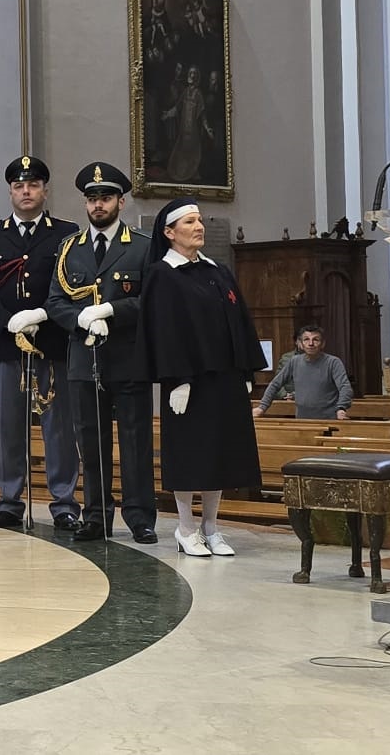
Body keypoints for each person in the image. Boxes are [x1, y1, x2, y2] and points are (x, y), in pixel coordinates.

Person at [140, 197, 265, 558]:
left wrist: (244, 370)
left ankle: (212, 527)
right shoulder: (163, 275)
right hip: (189, 382)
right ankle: (185, 527)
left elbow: (239, 321)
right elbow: (165, 330)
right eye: (190, 222)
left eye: (200, 220)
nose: (199, 227)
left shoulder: (217, 271)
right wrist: (177, 379)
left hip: (224, 380)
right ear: (169, 232)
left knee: (219, 455)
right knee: (191, 456)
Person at [0, 155, 81, 530]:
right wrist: (8, 321)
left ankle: (64, 502)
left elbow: (72, 285)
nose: (26, 191)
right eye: (19, 186)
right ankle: (9, 501)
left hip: (52, 342)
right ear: (11, 192)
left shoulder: (66, 233)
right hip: (8, 344)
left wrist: (43, 317)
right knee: (9, 425)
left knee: (59, 427)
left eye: (33, 185)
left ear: (45, 191)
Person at [46, 162, 155, 544]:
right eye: (92, 199)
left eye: (105, 198)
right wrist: (81, 320)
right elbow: (55, 301)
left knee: (135, 442)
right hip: (83, 359)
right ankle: (96, 515)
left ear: (121, 202)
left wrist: (112, 312)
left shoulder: (141, 247)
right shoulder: (69, 249)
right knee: (90, 444)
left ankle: (140, 516)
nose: (98, 205)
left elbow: (150, 301)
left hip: (127, 358)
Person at [254, 325, 353, 421]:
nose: (311, 343)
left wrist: (341, 408)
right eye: (306, 339)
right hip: (302, 420)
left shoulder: (333, 362)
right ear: (301, 344)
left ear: (323, 344)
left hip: (328, 420)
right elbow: (275, 384)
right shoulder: (294, 361)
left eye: (316, 340)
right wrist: (262, 407)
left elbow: (345, 387)